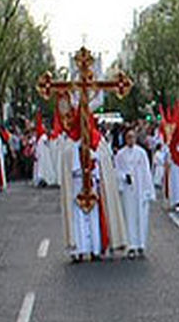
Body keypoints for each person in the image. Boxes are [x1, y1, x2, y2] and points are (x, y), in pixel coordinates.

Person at [59, 111, 127, 261]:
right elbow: (67, 166)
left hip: (93, 184)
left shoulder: (98, 141)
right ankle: (79, 250)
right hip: (76, 185)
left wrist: (94, 159)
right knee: (78, 219)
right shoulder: (69, 143)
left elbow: (104, 161)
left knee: (95, 218)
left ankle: (96, 249)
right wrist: (79, 157)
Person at [114, 128, 155, 258]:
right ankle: (131, 245)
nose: (131, 140)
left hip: (140, 189)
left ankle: (141, 244)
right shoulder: (120, 154)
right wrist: (123, 177)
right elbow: (117, 171)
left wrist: (149, 190)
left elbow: (146, 172)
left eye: (133, 137)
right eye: (128, 137)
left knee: (141, 217)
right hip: (128, 190)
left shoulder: (141, 153)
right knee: (129, 217)